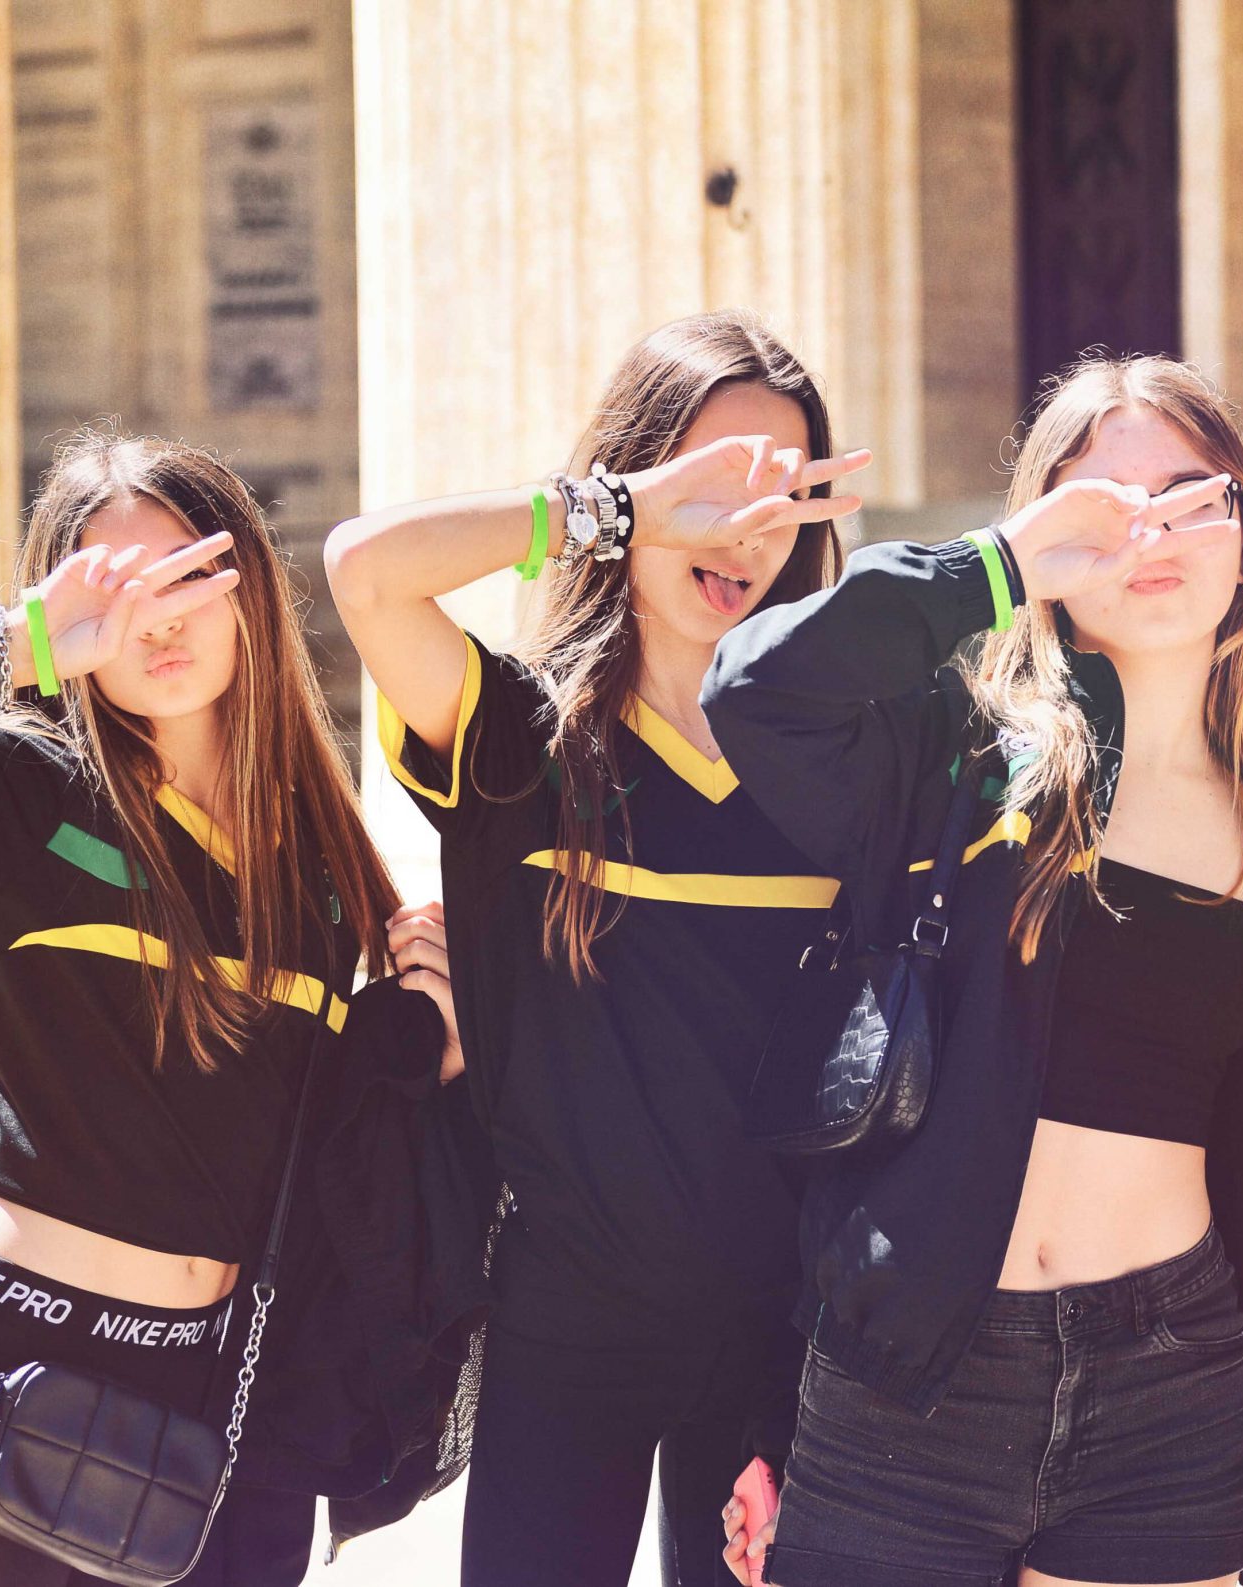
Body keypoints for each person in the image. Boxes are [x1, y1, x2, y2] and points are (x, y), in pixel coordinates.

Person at [705, 355, 1243, 1587]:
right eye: (1102, 503)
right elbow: (755, 689)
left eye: (1189, 496)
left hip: (1169, 1390)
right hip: (913, 1371)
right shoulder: (950, 757)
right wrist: (998, 564)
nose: (1148, 531)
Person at [323, 309, 868, 1587]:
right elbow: (365, 571)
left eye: (782, 495)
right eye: (714, 481)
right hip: (562, 1330)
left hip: (779, 1345)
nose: (744, 528)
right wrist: (619, 511)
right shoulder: (517, 740)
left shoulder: (841, 761)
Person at [0, 430, 418, 1586]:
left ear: (247, 589)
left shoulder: (319, 861)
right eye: (110, 591)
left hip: (218, 1403)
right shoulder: (12, 790)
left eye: (186, 578)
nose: (155, 621)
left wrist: (423, 1018)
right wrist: (12, 643)